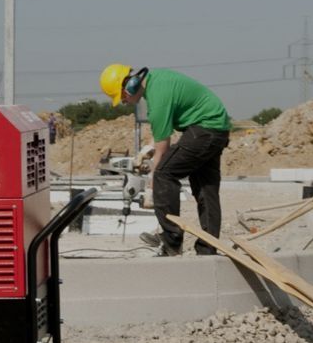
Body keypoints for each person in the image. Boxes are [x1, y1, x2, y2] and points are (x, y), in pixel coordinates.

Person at [98, 64, 233, 256]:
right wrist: (146, 150)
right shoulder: (157, 82)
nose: (124, 102)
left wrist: (153, 187)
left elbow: (163, 147)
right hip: (216, 129)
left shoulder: (158, 97)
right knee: (205, 189)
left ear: (131, 85)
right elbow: (160, 135)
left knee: (164, 174)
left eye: (123, 96)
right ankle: (208, 248)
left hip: (203, 130)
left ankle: (171, 240)